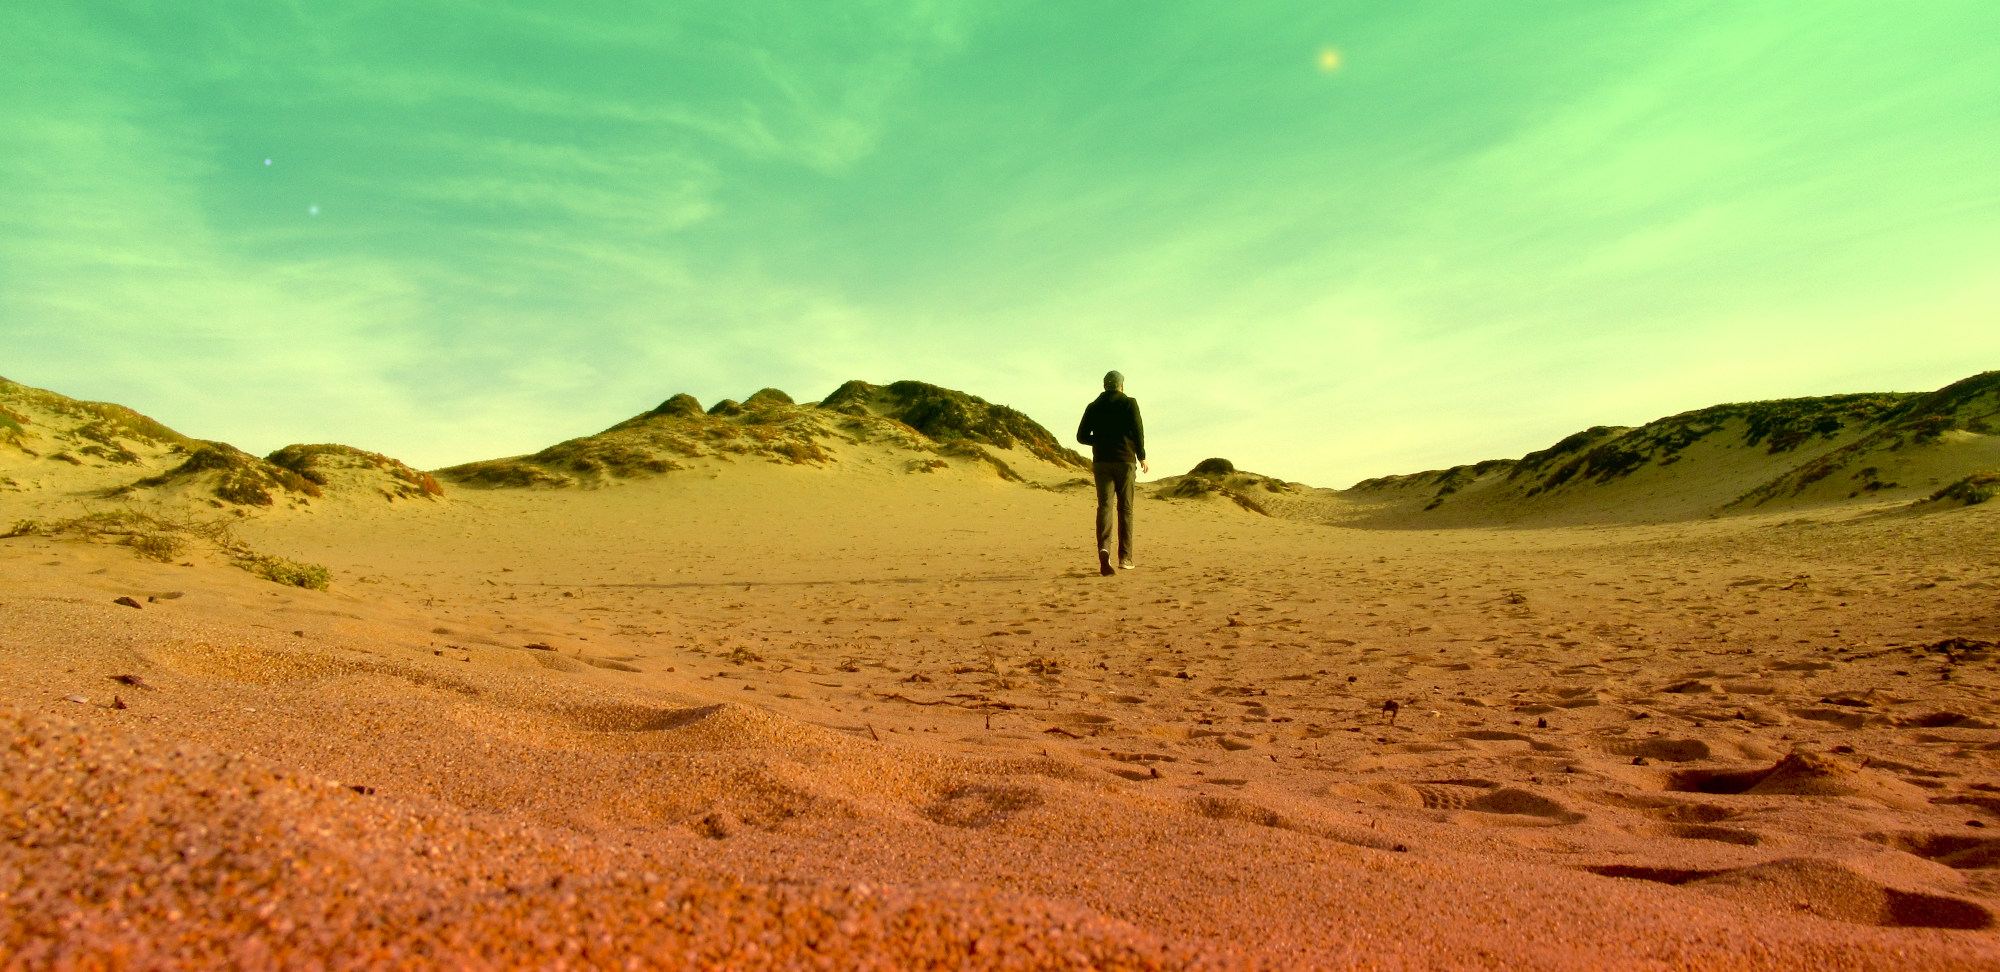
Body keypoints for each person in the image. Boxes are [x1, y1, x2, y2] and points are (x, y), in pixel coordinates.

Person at [1076, 370, 1148, 576]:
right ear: (1121, 386)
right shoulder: (1129, 403)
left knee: (1105, 506)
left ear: (1104, 386)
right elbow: (1138, 431)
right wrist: (1141, 455)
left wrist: (1099, 441)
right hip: (1125, 461)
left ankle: (1104, 548)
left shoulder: (1093, 406)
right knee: (1125, 509)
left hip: (1102, 462)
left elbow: (1081, 436)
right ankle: (1125, 558)